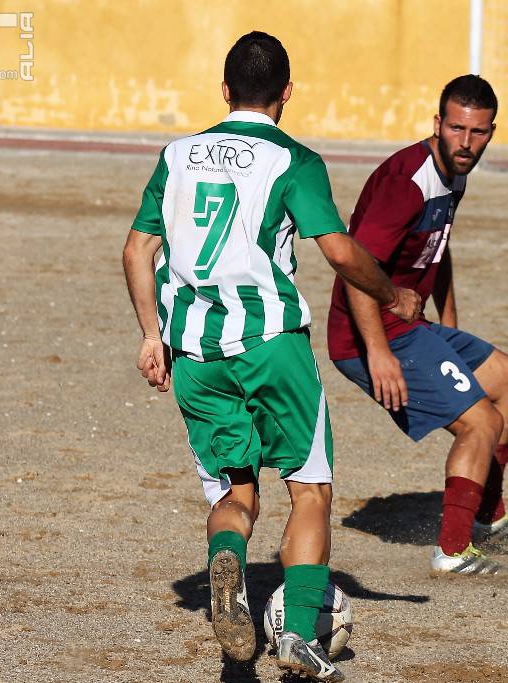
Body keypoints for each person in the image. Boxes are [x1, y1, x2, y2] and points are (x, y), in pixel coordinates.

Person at [122, 31, 419, 682]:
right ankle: (300, 634)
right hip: (271, 346)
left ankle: (228, 555)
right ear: (287, 93)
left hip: (196, 354)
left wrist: (152, 334)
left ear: (224, 91)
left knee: (237, 489)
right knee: (309, 488)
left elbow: (135, 250)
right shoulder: (293, 160)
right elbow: (339, 252)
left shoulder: (176, 156)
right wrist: (395, 294)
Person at [326, 75, 508, 577]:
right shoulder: (406, 182)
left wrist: (448, 327)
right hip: (368, 335)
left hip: (411, 327)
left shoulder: (457, 172)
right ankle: (452, 551)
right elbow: (355, 266)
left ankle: (488, 517)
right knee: (481, 422)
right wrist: (377, 352)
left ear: (492, 131)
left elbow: (437, 248)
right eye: (456, 129)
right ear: (437, 124)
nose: (466, 142)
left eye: (478, 132)